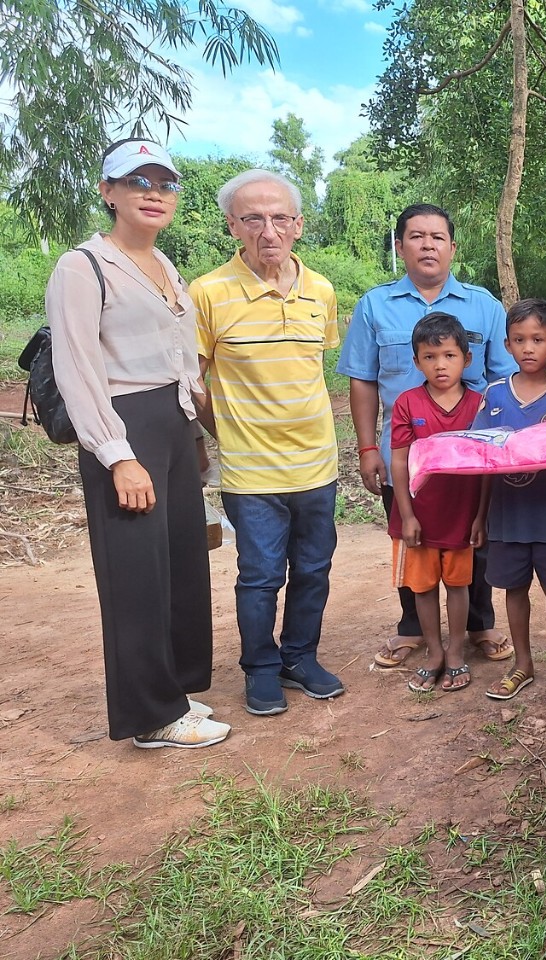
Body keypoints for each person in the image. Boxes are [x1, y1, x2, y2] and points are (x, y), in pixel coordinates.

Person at [45, 138, 228, 749]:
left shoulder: (165, 265)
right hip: (124, 426)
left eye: (164, 183)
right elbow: (77, 367)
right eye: (137, 181)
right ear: (108, 192)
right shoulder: (83, 266)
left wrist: (198, 434)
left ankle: (172, 691)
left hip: (171, 424)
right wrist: (117, 454)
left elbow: (182, 362)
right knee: (135, 573)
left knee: (178, 560)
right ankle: (149, 715)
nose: (153, 193)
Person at [188, 169, 343, 717]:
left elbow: (312, 370)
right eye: (253, 218)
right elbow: (191, 383)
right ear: (233, 225)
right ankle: (260, 668)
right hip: (251, 474)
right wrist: (225, 434)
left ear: (298, 225)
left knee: (314, 568)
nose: (268, 230)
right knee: (258, 576)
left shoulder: (320, 290)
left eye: (280, 217)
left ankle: (300, 657)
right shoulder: (207, 293)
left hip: (317, 466)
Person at [338, 203, 518, 668]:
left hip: (471, 457)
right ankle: (412, 628)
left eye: (437, 237)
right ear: (400, 247)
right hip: (404, 454)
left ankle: (481, 622)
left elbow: (505, 380)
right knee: (409, 537)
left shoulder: (484, 306)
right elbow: (363, 379)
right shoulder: (374, 305)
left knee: (475, 538)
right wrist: (365, 450)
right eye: (416, 237)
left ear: (453, 247)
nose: (427, 245)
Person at [472, 299, 546, 699]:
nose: (528, 348)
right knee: (514, 588)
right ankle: (522, 664)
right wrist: (480, 518)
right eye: (519, 339)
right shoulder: (494, 395)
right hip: (506, 515)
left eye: (538, 339)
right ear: (506, 344)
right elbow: (483, 457)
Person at [388, 313, 485, 693]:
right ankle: (434, 653)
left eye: (448, 355)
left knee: (459, 586)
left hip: (461, 515)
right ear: (416, 362)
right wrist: (407, 515)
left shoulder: (481, 404)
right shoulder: (407, 403)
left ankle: (457, 652)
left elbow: (488, 465)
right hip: (419, 518)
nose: (439, 365)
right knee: (423, 588)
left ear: (466, 359)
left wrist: (480, 515)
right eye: (429, 357)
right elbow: (399, 461)